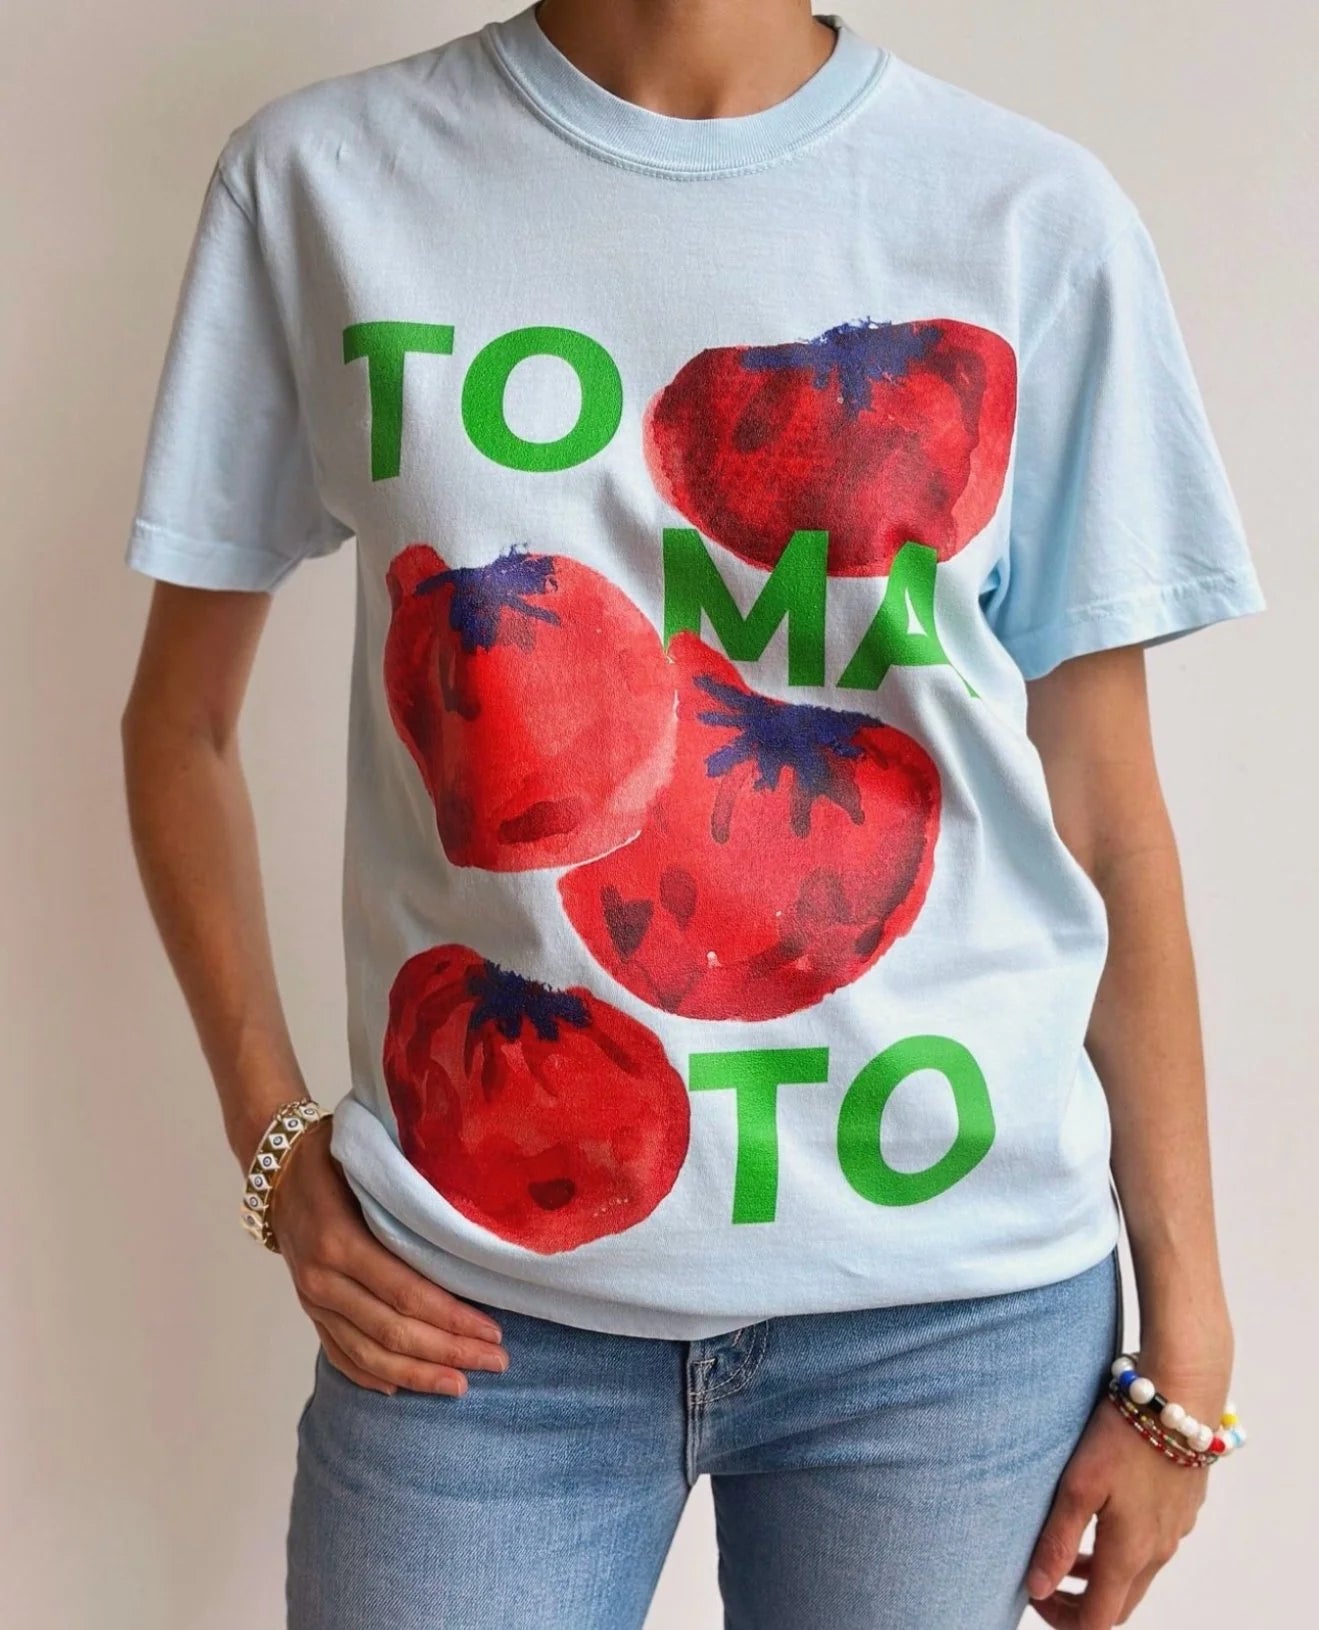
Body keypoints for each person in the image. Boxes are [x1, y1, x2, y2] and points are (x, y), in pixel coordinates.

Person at [119, 3, 1264, 1626]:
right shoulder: (324, 182)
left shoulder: (1027, 214)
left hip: (952, 1327)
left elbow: (1105, 810)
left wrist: (1188, 1345)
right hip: (476, 1311)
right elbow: (178, 723)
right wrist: (271, 1135)